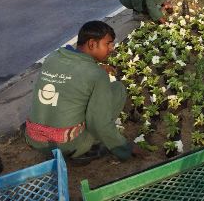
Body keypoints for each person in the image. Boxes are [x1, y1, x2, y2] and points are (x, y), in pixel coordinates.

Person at [26, 21, 140, 162]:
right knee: (118, 89)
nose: (112, 48)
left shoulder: (53, 57)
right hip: (66, 146)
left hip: (35, 139)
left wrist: (97, 67)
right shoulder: (97, 75)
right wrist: (125, 148)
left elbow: (73, 72)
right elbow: (100, 124)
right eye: (108, 44)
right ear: (92, 44)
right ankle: (86, 149)